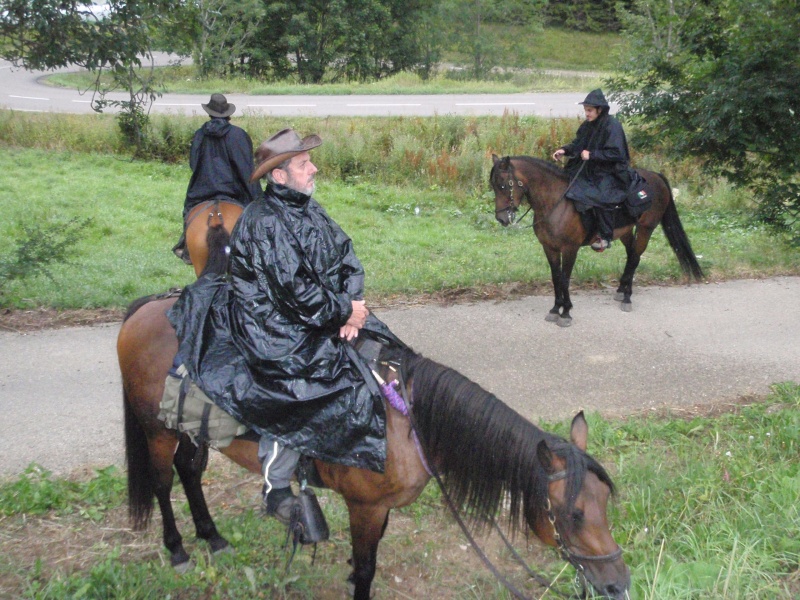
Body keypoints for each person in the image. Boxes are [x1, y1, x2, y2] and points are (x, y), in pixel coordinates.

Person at [168, 128, 404, 526]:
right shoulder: (264, 222)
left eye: (309, 161)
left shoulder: (309, 208)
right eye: (303, 164)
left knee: (384, 348)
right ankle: (277, 484)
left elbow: (347, 257)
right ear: (279, 176)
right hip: (272, 326)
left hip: (322, 312)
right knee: (300, 383)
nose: (313, 169)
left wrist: (355, 305)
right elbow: (294, 292)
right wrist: (343, 311)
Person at [172, 93, 262, 263]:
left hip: (202, 191)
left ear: (209, 113)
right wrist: (257, 197)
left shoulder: (199, 134)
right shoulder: (238, 135)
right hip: (234, 193)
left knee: (190, 210)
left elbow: (194, 164)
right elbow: (246, 168)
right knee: (257, 217)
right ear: (228, 114)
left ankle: (186, 247)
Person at [552, 89, 632, 252]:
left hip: (611, 171)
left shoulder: (613, 125)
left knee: (600, 195)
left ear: (599, 109)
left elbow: (617, 153)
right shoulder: (588, 125)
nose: (586, 114)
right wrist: (565, 150)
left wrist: (592, 154)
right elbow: (578, 144)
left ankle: (605, 236)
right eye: (585, 110)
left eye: (589, 110)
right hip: (591, 169)